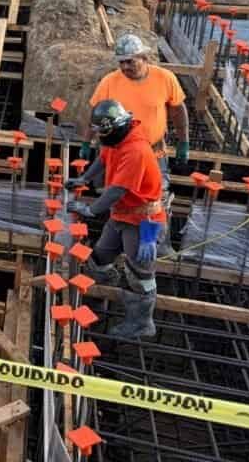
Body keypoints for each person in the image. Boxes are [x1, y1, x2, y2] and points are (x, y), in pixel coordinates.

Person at [66, 99, 164, 339]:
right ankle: (106, 290)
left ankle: (142, 323)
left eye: (102, 133)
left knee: (140, 275)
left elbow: (116, 191)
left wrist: (91, 210)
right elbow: (102, 159)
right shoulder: (117, 138)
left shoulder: (135, 150)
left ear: (117, 126)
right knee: (100, 257)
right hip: (120, 214)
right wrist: (84, 180)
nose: (100, 138)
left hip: (143, 222)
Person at [82, 34, 190, 187]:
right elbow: (95, 115)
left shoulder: (165, 78)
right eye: (121, 62)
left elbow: (178, 112)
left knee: (153, 194)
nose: (125, 67)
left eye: (130, 61)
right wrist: (86, 142)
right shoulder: (109, 82)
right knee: (110, 194)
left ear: (144, 57)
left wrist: (183, 142)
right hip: (116, 153)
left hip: (152, 152)